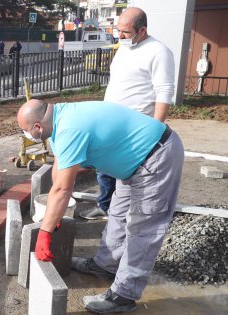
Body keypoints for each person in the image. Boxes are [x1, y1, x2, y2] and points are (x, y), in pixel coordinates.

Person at [17, 99, 183, 314]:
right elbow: (59, 173)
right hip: (133, 162)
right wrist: (53, 215)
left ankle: (124, 295)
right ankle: (106, 265)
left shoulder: (70, 128)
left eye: (26, 130)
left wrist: (45, 232)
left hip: (155, 159)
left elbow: (63, 190)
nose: (26, 135)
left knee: (143, 228)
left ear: (38, 126)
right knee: (118, 214)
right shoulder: (59, 121)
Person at [82, 7, 175, 221]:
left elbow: (165, 91)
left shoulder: (159, 51)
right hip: (110, 120)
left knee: (129, 172)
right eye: (118, 30)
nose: (120, 36)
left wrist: (155, 129)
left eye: (125, 32)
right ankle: (105, 207)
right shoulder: (125, 48)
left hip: (136, 124)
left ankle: (128, 215)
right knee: (105, 167)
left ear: (142, 30)